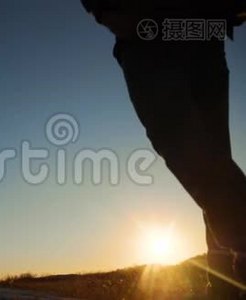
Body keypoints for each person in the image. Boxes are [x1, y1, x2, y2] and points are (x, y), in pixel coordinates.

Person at [81, 0, 246, 298]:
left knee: (206, 158)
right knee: (204, 159)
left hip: (198, 32)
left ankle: (225, 286)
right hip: (149, 31)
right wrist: (105, 11)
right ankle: (225, 285)